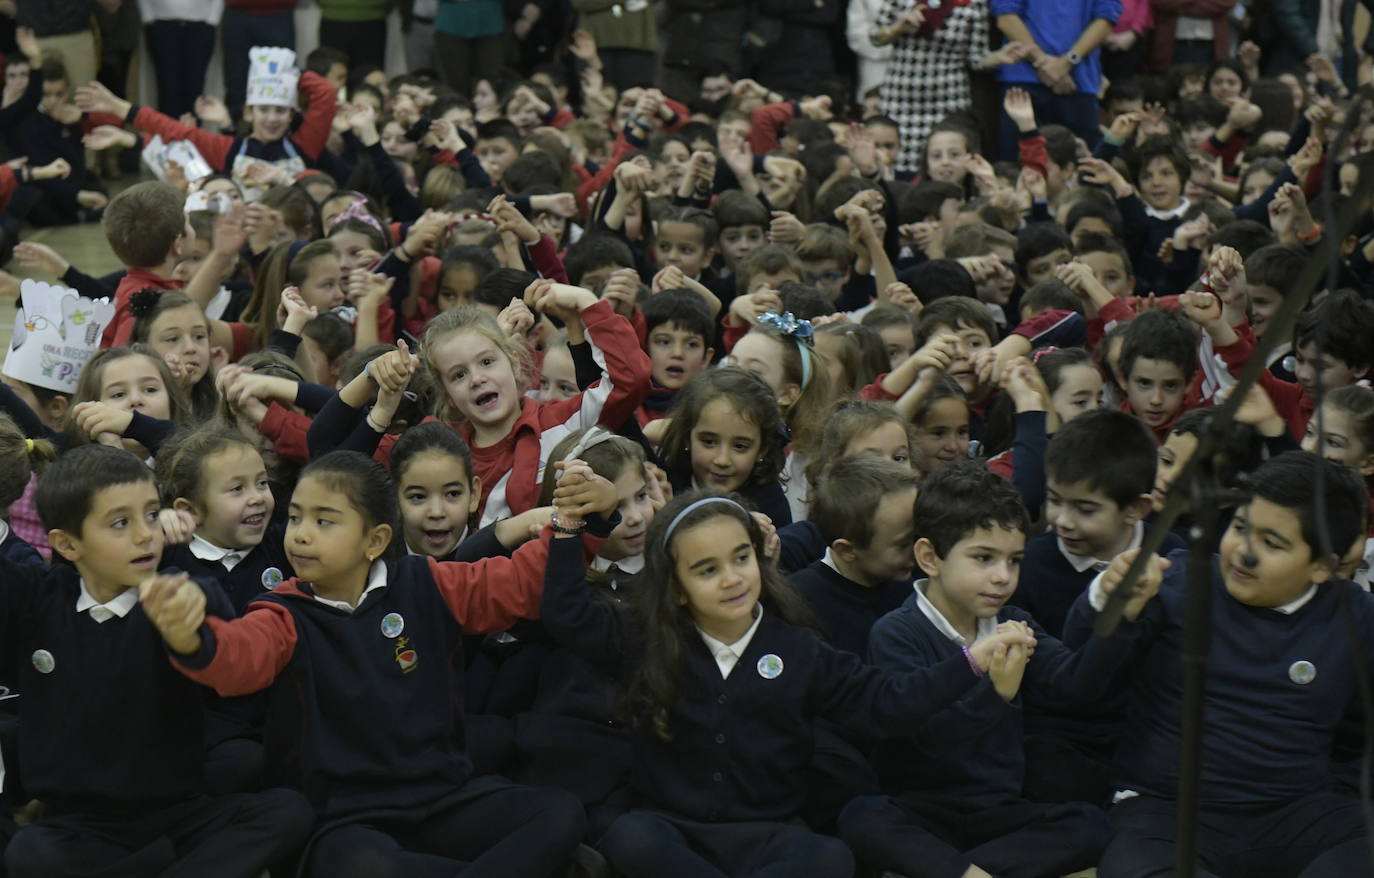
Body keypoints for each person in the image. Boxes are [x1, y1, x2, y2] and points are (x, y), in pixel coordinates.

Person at [539, 478, 1037, 877]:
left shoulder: (799, 649)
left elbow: (888, 702)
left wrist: (971, 661)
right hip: (673, 829)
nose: (733, 577)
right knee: (631, 838)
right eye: (707, 570)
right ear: (677, 590)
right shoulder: (646, 640)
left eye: (741, 558)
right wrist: (566, 526)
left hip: (769, 834)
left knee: (830, 859)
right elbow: (565, 614)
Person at [144, 450, 606, 877]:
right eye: (296, 517)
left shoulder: (426, 582)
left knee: (559, 813)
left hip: (442, 795)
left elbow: (523, 583)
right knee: (367, 868)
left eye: (325, 521)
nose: (300, 533)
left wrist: (572, 520)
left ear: (375, 539)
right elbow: (237, 659)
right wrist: (191, 635)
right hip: (345, 818)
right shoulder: (281, 612)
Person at [1, 445, 314, 877]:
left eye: (151, 515)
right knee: (28, 856)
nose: (144, 534)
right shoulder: (39, 599)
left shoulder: (179, 592)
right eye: (119, 523)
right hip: (78, 823)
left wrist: (189, 623)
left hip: (178, 812)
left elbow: (215, 628)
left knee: (289, 812)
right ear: (67, 544)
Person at [1070, 452, 1374, 876]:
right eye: (1240, 528)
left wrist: (1338, 791)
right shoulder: (1174, 580)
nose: (1243, 552)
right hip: (1165, 812)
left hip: (1297, 811)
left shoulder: (1355, 616)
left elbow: (1360, 738)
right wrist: (1107, 597)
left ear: (1322, 567)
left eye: (1272, 543)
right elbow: (1083, 673)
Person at [839, 462, 1117, 878]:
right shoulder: (897, 632)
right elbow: (924, 742)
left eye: (1014, 560)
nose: (1003, 577)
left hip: (997, 811)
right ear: (930, 557)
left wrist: (1108, 607)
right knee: (861, 816)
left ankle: (962, 872)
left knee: (1090, 825)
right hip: (920, 809)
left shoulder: (1013, 621)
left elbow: (1076, 684)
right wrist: (996, 694)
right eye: (984, 558)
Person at [991, 0, 1119, 159]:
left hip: (1078, 84)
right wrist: (1047, 64)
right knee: (1016, 170)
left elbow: (1106, 18)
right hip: (1022, 83)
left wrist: (1066, 62)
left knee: (1082, 172)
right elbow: (1005, 17)